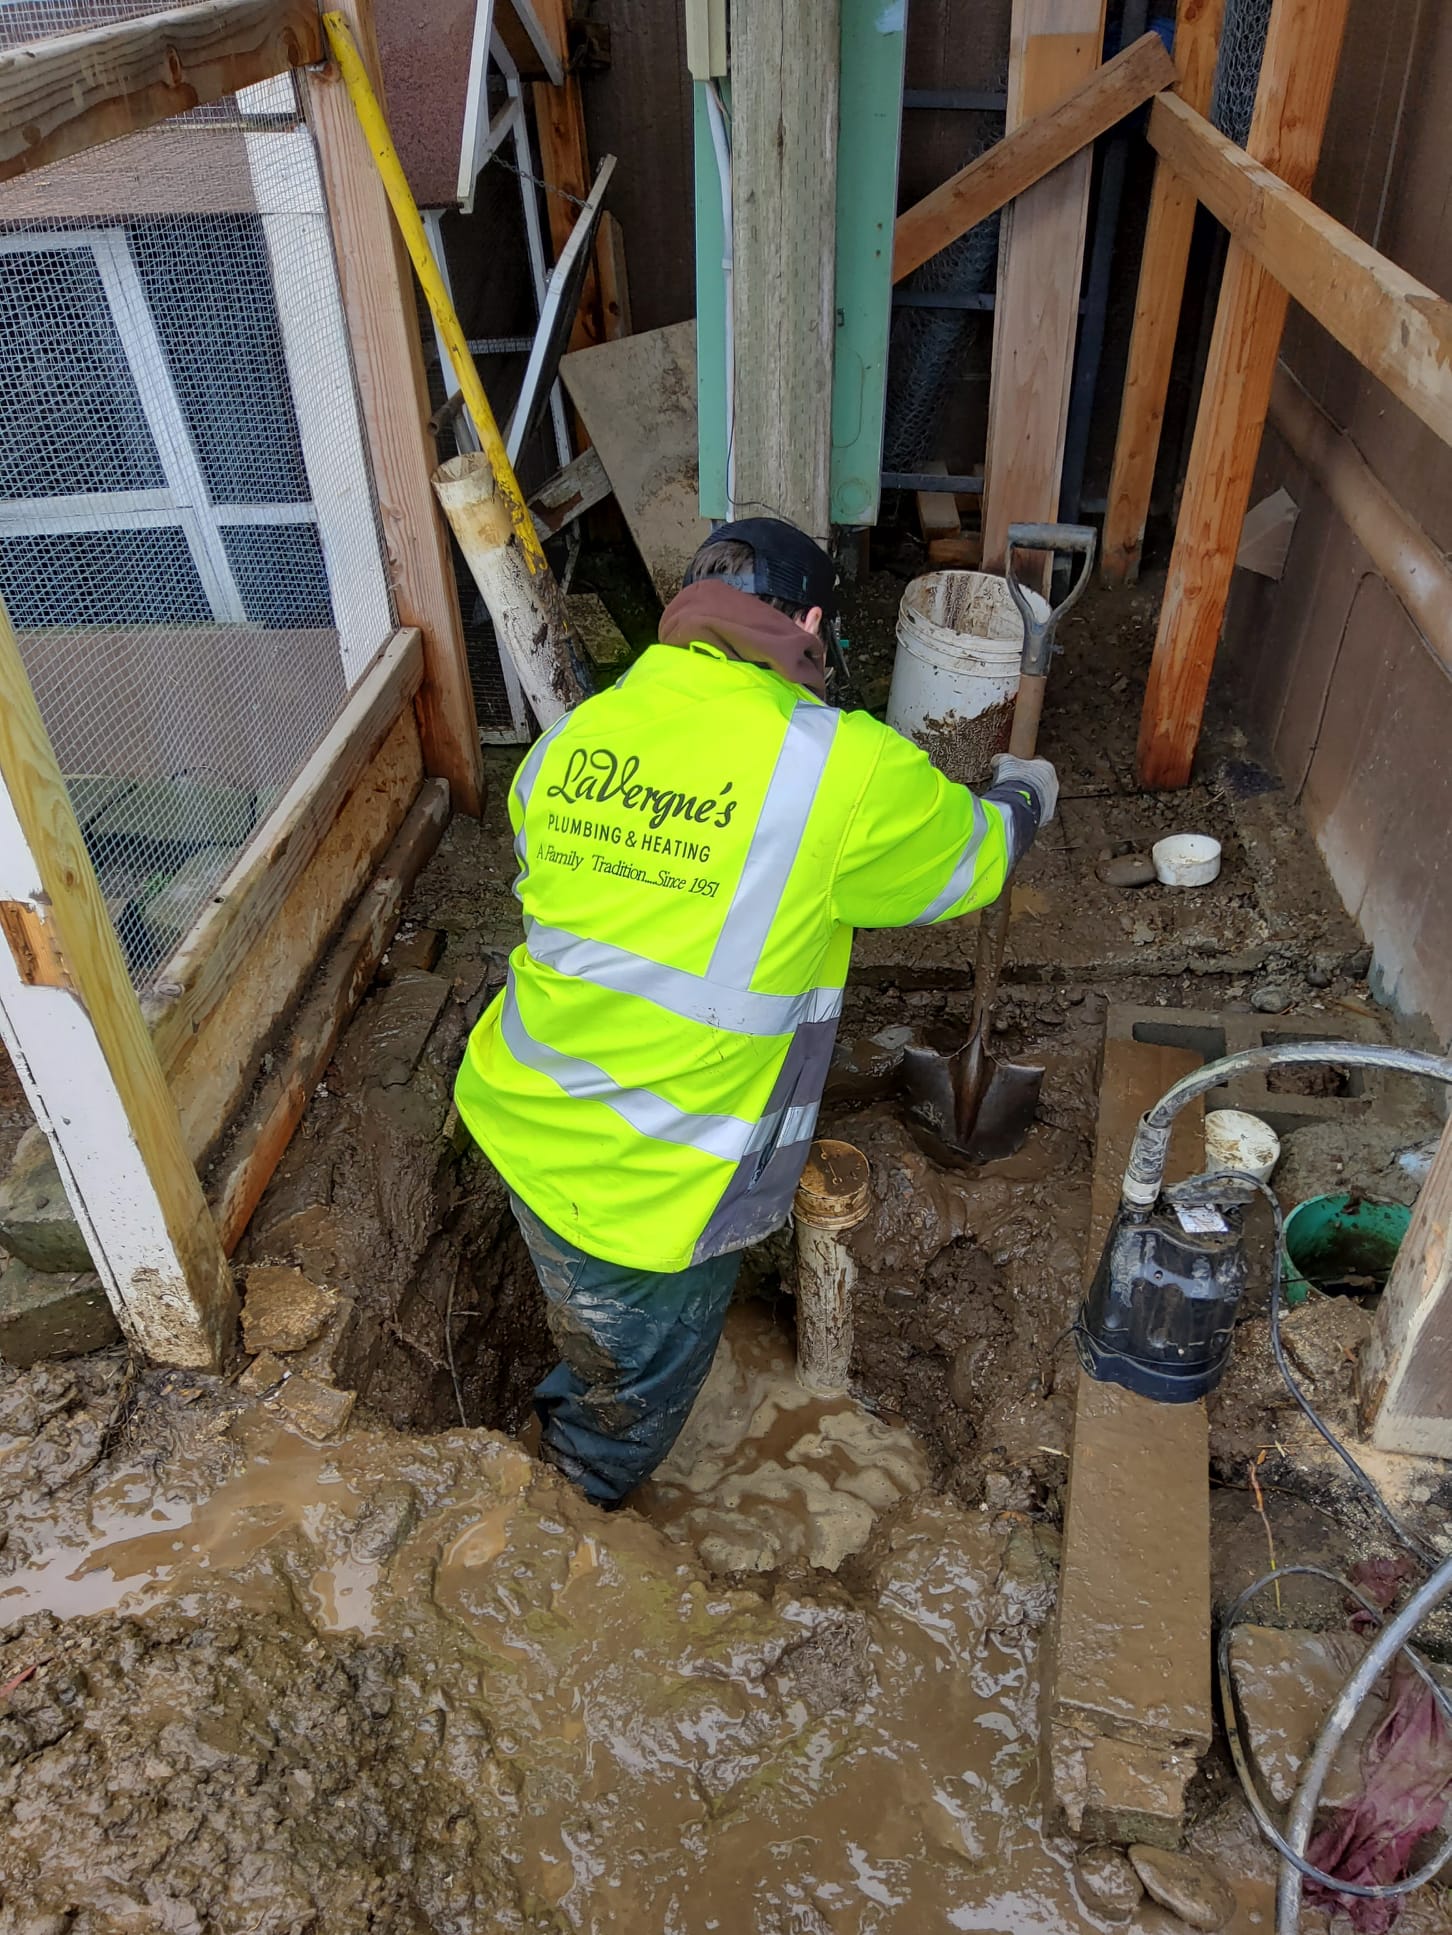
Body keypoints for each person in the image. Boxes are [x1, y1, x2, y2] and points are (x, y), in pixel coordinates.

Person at [455, 517, 1056, 1506]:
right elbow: (967, 862)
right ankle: (558, 1526)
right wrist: (1024, 798)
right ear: (812, 622)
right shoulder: (841, 769)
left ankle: (562, 1414)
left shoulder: (577, 736)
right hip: (653, 1193)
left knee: (587, 1325)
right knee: (625, 1404)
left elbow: (555, 879)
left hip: (521, 1114)